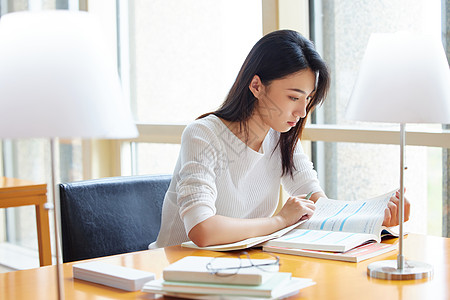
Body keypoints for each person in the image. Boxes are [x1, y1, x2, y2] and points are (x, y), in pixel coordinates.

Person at [149, 30, 410, 249]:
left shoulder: (281, 137)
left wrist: (376, 218)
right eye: (293, 97)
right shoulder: (204, 135)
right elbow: (203, 230)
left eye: (307, 100)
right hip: (176, 270)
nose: (301, 112)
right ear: (256, 86)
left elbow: (317, 204)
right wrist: (280, 220)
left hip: (242, 267)